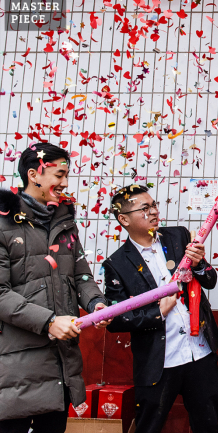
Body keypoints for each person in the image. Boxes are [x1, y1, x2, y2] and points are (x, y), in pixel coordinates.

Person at [0, 143, 110, 432]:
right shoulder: (2, 223)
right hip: (15, 365)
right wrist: (49, 322)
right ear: (35, 174)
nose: (64, 183)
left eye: (66, 175)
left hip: (62, 361)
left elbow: (81, 276)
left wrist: (96, 303)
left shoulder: (64, 223)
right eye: (59, 175)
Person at [104, 185, 218, 433]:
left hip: (199, 352)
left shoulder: (178, 236)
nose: (154, 212)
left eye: (154, 205)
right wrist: (158, 313)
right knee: (149, 426)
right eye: (144, 208)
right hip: (159, 361)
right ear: (123, 219)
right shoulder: (116, 263)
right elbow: (115, 320)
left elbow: (209, 280)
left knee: (208, 424)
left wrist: (200, 264)